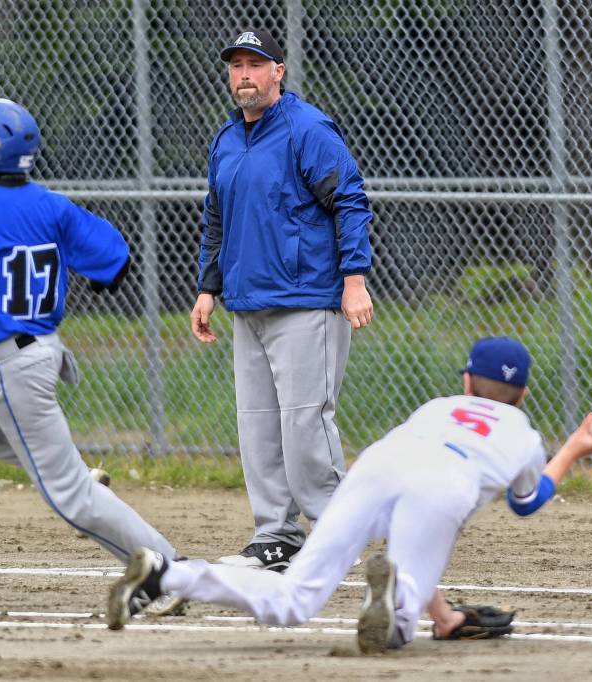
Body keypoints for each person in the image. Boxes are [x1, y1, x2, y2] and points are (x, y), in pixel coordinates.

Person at [106, 337, 592, 653]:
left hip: (378, 466)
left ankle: (166, 573)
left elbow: (411, 485)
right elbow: (525, 502)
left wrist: (446, 617)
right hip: (445, 486)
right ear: (524, 394)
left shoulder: (438, 406)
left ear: (466, 380)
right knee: (395, 630)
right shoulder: (523, 436)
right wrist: (574, 447)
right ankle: (394, 600)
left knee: (294, 599)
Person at [0, 98, 180, 568]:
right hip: (40, 348)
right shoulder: (52, 204)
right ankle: (70, 468)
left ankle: (165, 568)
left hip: (9, 362)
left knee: (72, 499)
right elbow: (113, 261)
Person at [190, 29, 375, 571]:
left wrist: (354, 278)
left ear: (279, 72)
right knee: (258, 425)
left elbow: (350, 201)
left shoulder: (307, 128)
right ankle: (276, 536)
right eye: (236, 65)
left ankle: (337, 533)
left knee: (304, 424)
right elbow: (215, 218)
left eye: (256, 64)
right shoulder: (226, 139)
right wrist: (208, 288)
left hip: (306, 299)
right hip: (248, 303)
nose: (244, 74)